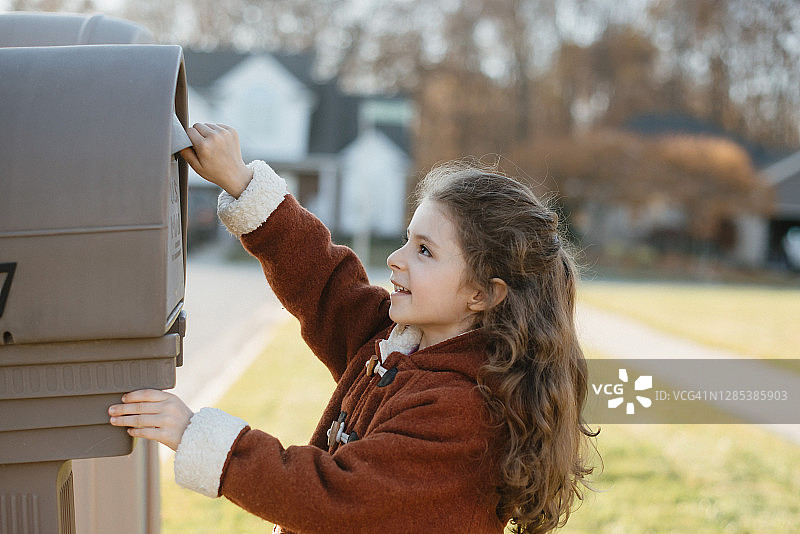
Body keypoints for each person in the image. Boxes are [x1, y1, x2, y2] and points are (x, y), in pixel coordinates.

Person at [109, 123, 598, 533]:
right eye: (407, 240)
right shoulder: (393, 341)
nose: (396, 259)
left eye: (424, 251)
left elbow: (334, 495)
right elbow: (324, 284)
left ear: (483, 294)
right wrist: (241, 182)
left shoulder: (464, 410)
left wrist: (197, 436)